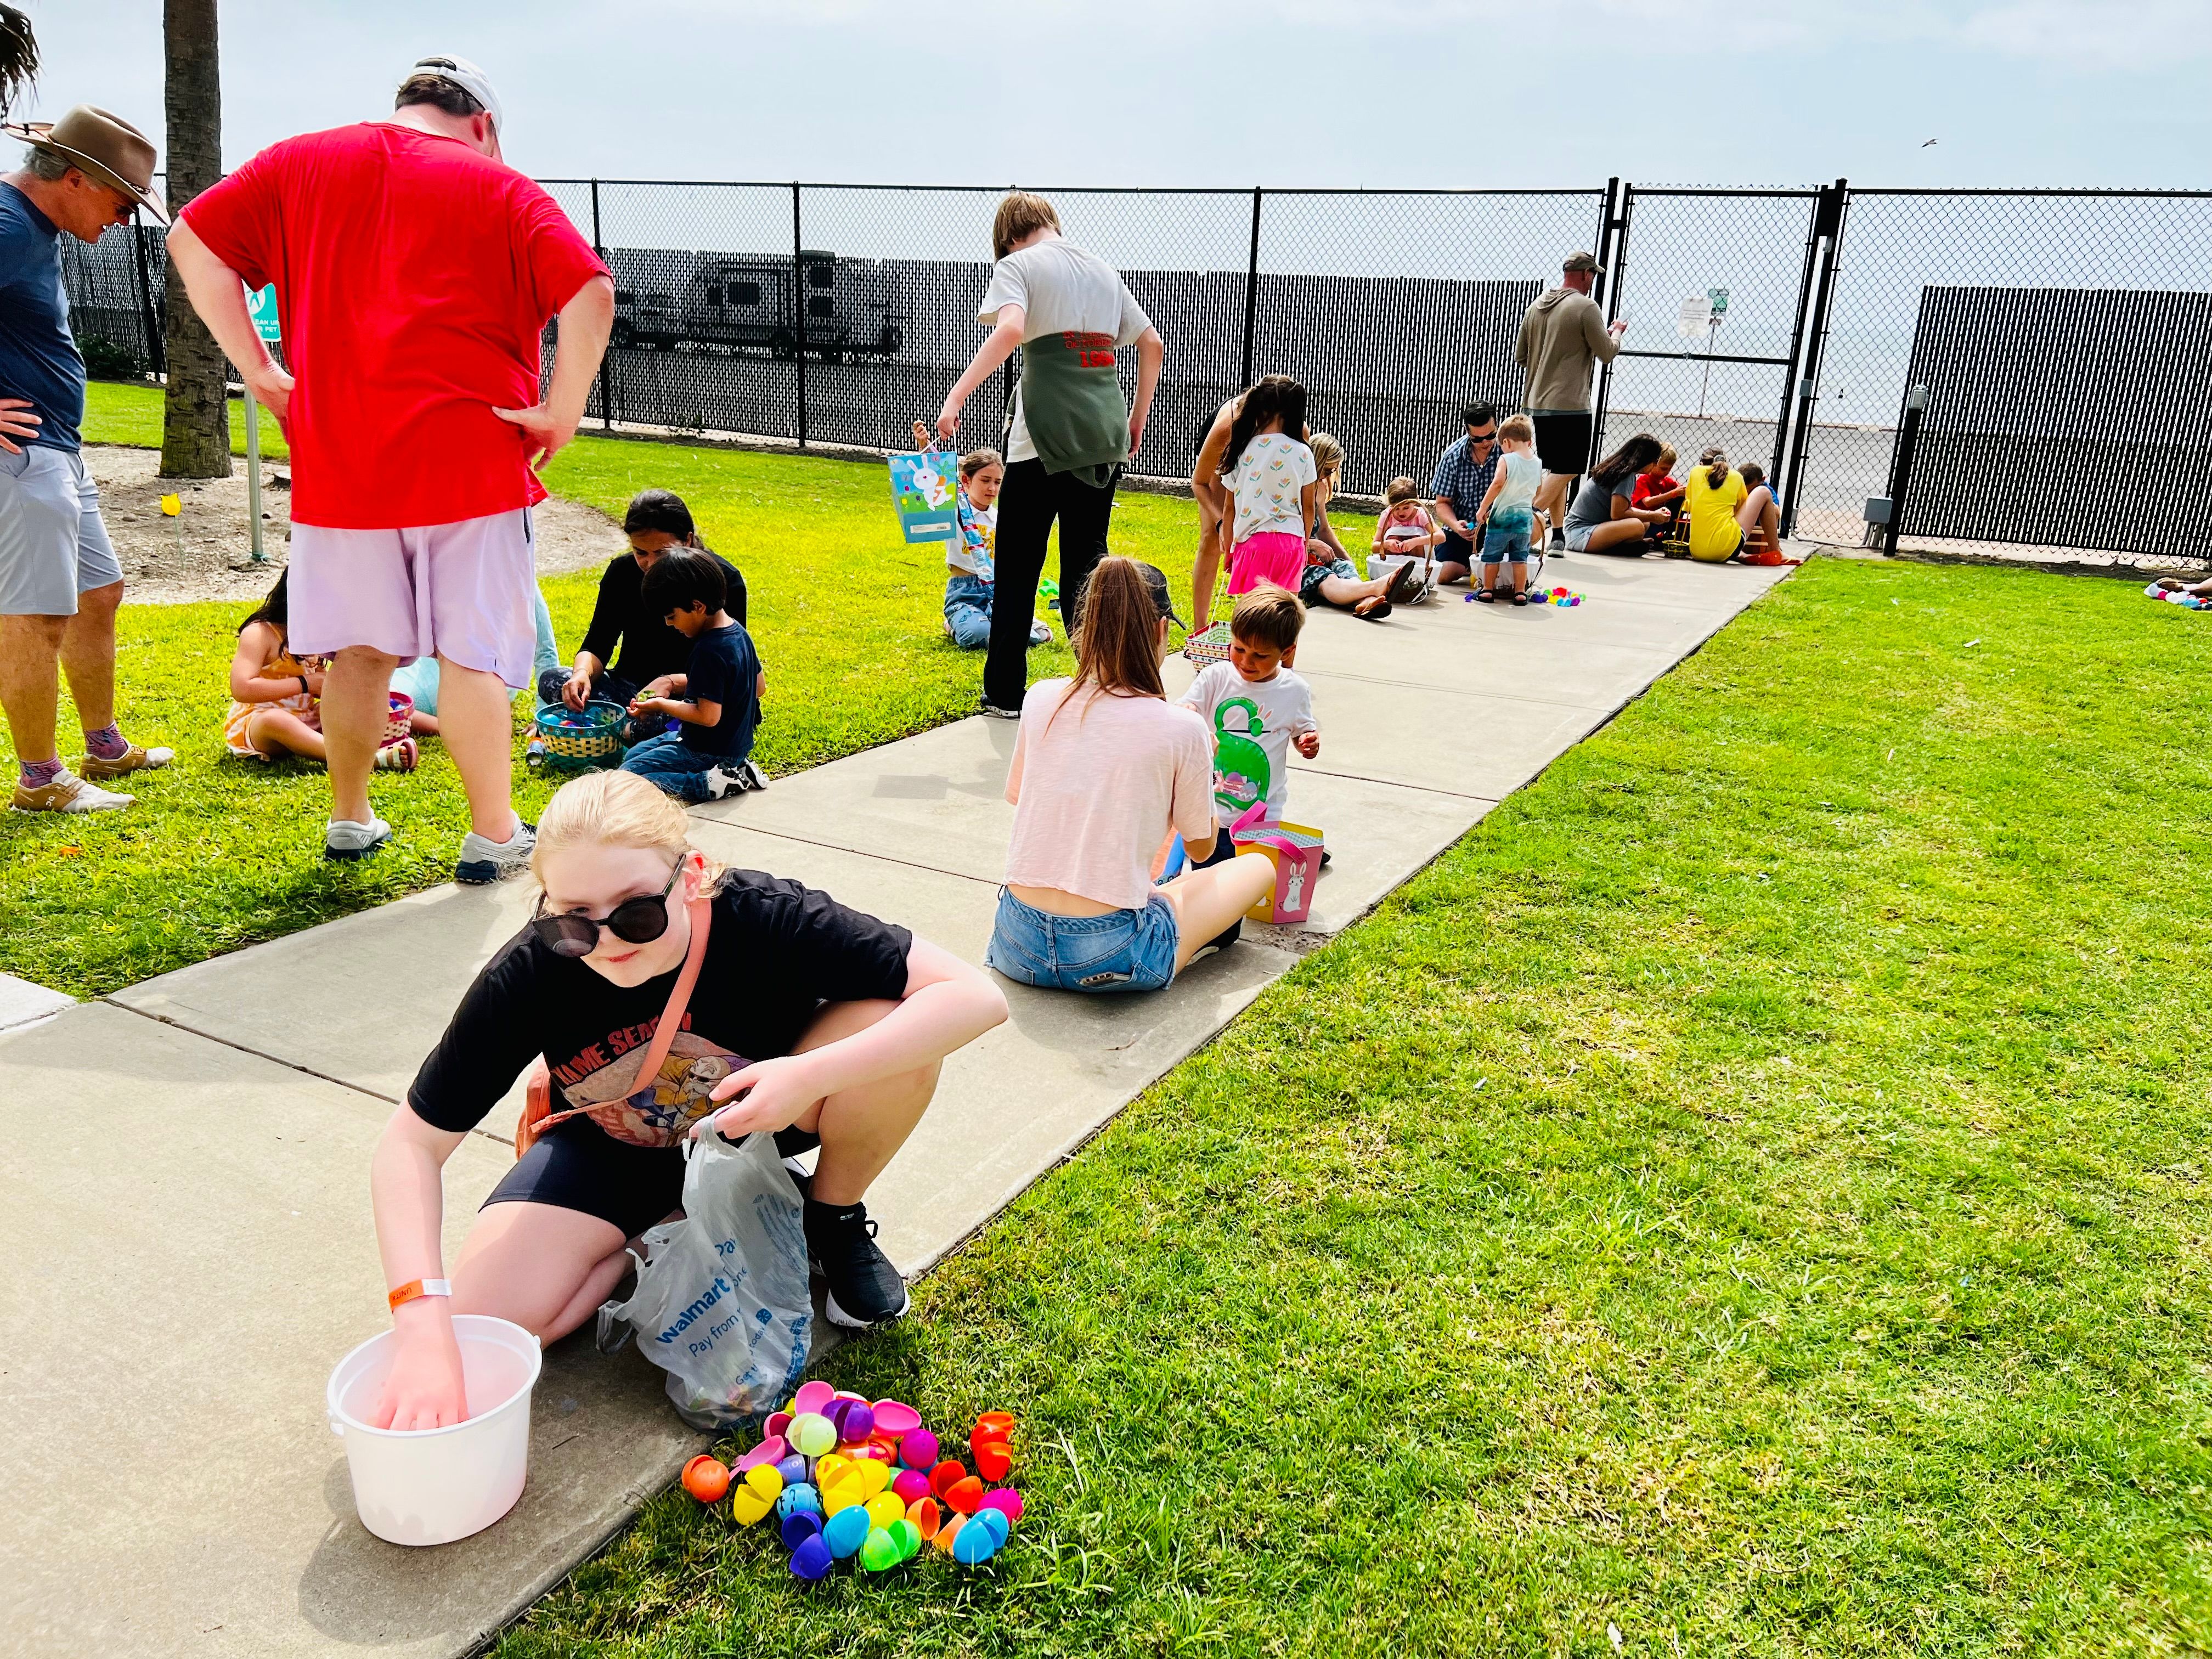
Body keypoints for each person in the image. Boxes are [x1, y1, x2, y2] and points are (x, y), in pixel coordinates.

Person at [367, 768, 1010, 1427]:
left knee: (896, 1030)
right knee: (488, 1328)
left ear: (692, 874)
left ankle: (831, 1215)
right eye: (574, 922)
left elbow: (974, 997)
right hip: (614, 1148)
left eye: (637, 912)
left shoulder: (765, 915)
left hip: (759, 1123)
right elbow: (411, 1145)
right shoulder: (532, 970)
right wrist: (421, 1321)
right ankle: (657, 1231)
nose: (607, 942)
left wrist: (810, 1075)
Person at [167, 55, 615, 878]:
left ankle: (350, 818)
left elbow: (191, 240)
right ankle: (493, 834)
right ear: (483, 124)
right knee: (474, 656)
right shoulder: (505, 189)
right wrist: (563, 409)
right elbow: (591, 291)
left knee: (359, 654)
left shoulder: (296, 164)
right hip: (473, 465)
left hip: (342, 470)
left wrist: (259, 369)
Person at [988, 558, 1276, 995]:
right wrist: (1202, 766)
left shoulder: (1042, 698)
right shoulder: (1183, 729)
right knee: (1256, 867)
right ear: (1161, 630)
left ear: (1085, 627)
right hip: (1111, 953)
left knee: (1163, 888)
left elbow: (1024, 800)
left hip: (1016, 942)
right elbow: (1201, 849)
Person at [0, 105, 174, 814]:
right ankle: (39, 779)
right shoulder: (9, 228)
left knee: (98, 593)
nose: (124, 222)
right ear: (75, 179)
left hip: (58, 450)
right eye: (122, 204)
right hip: (22, 457)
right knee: (36, 615)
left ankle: (103, 745)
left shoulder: (30, 225)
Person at [935, 192, 1165, 720]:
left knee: (1018, 569)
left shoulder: (1019, 265)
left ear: (1008, 237)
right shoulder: (1104, 270)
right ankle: (1100, 682)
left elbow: (1011, 330)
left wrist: (955, 399)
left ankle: (1005, 694)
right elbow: (1151, 344)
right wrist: (1136, 420)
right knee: (1087, 570)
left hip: (1040, 439)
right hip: (1103, 432)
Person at [555, 489, 749, 740]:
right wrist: (581, 674)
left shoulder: (722, 580)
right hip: (632, 691)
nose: (650, 564)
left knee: (671, 726)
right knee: (555, 681)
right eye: (640, 552)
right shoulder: (622, 573)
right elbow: (598, 643)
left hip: (693, 697)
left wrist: (669, 683)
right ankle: (617, 728)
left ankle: (612, 729)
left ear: (688, 541)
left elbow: (735, 672)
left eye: (662, 553)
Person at [225, 570, 417, 769]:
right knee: (277, 720)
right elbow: (242, 688)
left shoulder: (315, 638)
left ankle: (433, 726)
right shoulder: (260, 633)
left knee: (362, 701)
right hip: (259, 726)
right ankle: (369, 760)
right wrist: (305, 684)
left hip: (306, 719)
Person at [616, 551, 765, 803]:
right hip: (726, 745)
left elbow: (707, 716)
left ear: (697, 606)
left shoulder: (708, 650)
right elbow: (758, 687)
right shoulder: (737, 631)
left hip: (709, 750)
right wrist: (670, 684)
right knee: (633, 756)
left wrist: (661, 704)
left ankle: (708, 783)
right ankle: (736, 769)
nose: (668, 624)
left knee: (628, 775)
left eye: (671, 616)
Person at [1177, 585, 1319, 837]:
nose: (1246, 661)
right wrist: (1186, 711)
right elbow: (1185, 711)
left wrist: (1306, 742)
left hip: (1262, 813)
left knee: (1251, 862)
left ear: (1286, 652)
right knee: (1207, 862)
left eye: (1260, 655)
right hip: (1209, 806)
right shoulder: (1215, 677)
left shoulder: (1294, 690)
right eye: (1239, 649)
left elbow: (1302, 732)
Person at [1517, 252, 1628, 550]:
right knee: (1571, 467)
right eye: (1593, 275)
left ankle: (1557, 536)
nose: (1593, 281)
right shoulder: (1586, 306)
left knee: (1556, 469)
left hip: (1537, 402)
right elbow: (1607, 353)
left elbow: (1522, 356)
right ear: (1586, 274)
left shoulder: (1536, 306)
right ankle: (1528, 516)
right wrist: (1616, 333)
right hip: (1570, 404)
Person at [909, 422, 1049, 652]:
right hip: (964, 593)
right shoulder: (954, 511)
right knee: (981, 635)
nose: (992, 489)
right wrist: (924, 445)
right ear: (966, 481)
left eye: (997, 482)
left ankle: (1014, 622)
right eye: (985, 480)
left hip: (996, 591)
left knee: (1037, 636)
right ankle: (954, 624)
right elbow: (932, 481)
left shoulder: (1001, 518)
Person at [392, 586, 562, 737]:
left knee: (388, 705)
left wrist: (544, 717)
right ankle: (450, 729)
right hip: (432, 669)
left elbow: (545, 650)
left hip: (488, 675)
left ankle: (451, 729)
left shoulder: (516, 570)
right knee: (383, 700)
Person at [1218, 376, 1318, 600]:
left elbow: (1229, 509)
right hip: (1291, 544)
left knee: (1254, 611)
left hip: (1252, 545)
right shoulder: (1304, 452)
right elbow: (1309, 508)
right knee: (1286, 610)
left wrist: (1229, 550)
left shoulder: (1241, 451)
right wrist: (1304, 543)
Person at [1297, 432, 1408, 620]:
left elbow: (1324, 530)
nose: (1329, 475)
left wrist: (1347, 560)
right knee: (1325, 577)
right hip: (1298, 559)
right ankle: (1376, 587)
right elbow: (1282, 531)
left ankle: (1367, 603)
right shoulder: (1295, 486)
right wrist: (1311, 544)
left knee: (1344, 569)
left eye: (1333, 471)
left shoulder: (1320, 488)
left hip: (1318, 556)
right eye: (1327, 470)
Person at [1471, 414, 1544, 604]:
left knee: (1492, 556)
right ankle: (1520, 592)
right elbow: (1538, 489)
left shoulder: (1506, 459)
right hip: (1524, 521)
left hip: (1501, 520)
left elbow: (1497, 484)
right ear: (1529, 442)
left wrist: (1483, 508)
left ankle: (1487, 590)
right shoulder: (1537, 463)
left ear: (1507, 442)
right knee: (1520, 558)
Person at [1426, 404, 1503, 584]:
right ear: (1467, 431)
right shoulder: (1453, 456)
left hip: (1499, 528)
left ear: (1497, 426)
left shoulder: (1508, 451)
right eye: (1478, 439)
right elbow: (1442, 503)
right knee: (1443, 575)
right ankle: (1470, 564)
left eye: (1491, 436)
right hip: (1465, 528)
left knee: (1505, 576)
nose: (1485, 442)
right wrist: (1456, 526)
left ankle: (1481, 563)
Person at [1564, 435, 1671, 556]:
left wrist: (1652, 514)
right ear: (1645, 459)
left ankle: (1623, 547)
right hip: (1580, 535)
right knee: (1637, 526)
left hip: (1577, 533)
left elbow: (1625, 509)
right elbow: (1618, 514)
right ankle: (1619, 548)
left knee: (1644, 523)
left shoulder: (1621, 471)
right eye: (1656, 460)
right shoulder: (1626, 476)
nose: (1656, 465)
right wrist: (1654, 516)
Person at [1683, 447, 1751, 563]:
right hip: (1725, 550)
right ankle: (1776, 549)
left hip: (1697, 552)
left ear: (1701, 464)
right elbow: (1741, 508)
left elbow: (1688, 506)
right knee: (1763, 493)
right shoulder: (1736, 477)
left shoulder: (1695, 472)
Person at [1633, 442, 1685, 544]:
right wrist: (1673, 494)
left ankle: (1671, 533)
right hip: (1644, 521)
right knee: (1655, 539)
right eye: (1664, 468)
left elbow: (1681, 491)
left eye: (1670, 468)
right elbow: (1648, 502)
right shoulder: (1644, 479)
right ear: (1654, 464)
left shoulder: (1666, 481)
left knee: (1681, 499)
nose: (1667, 472)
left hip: (1660, 521)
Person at [1737, 461, 1782, 558]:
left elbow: (1777, 513)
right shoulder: (1735, 486)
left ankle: (1773, 549)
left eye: (1752, 489)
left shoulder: (1766, 490)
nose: (1748, 492)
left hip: (1760, 529)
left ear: (1763, 480)